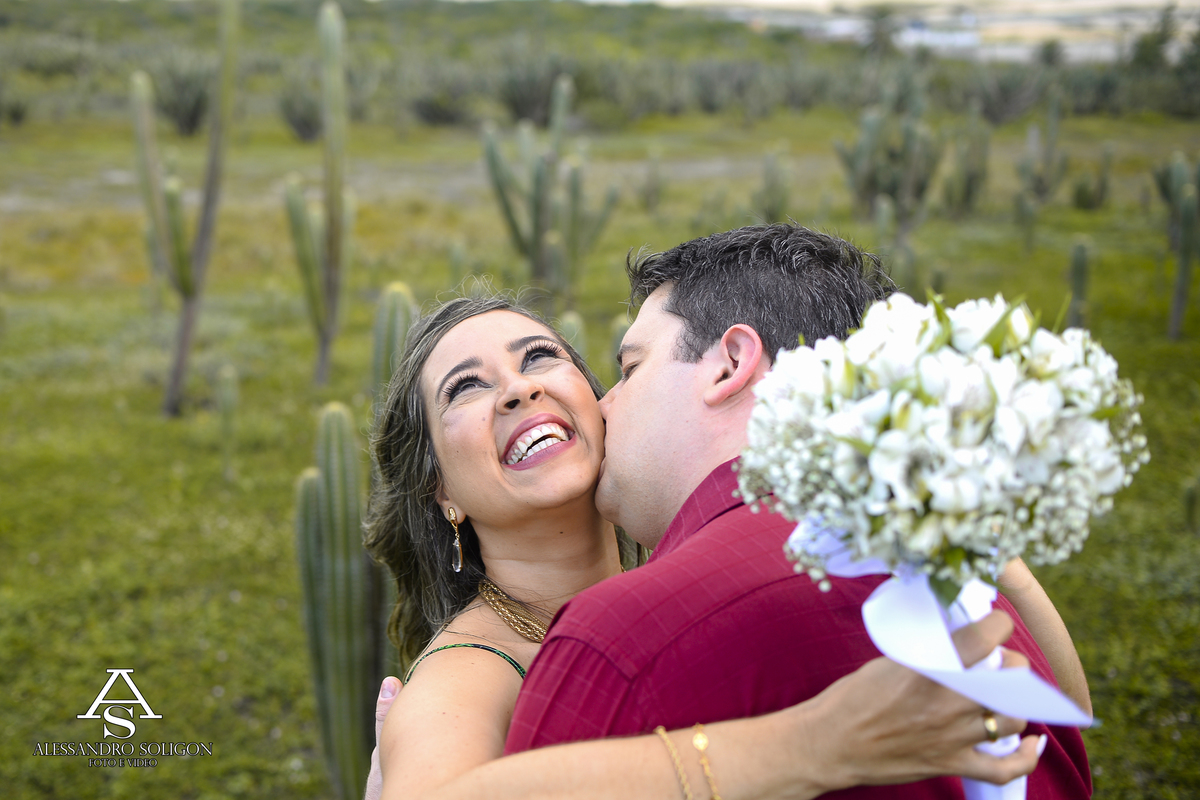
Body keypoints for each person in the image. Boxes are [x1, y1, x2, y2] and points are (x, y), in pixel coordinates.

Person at [362, 225, 1088, 800]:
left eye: (542, 358)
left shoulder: (701, 576)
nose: (518, 391)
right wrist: (812, 744)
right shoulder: (466, 674)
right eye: (465, 388)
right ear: (441, 493)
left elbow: (1044, 730)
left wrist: (958, 526)